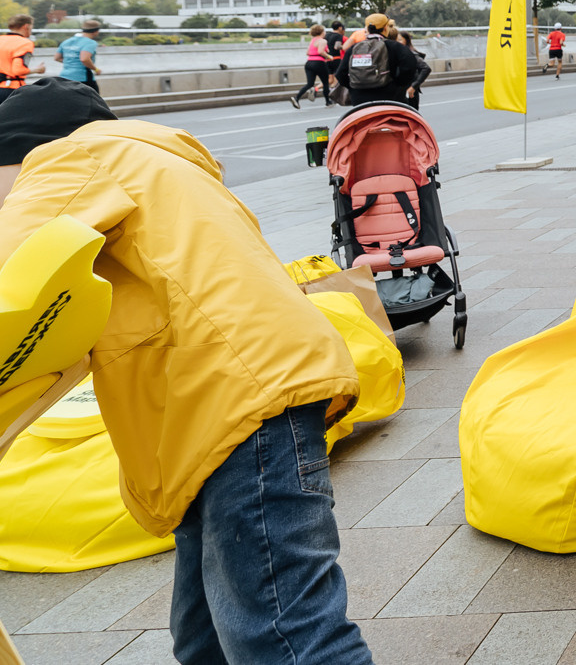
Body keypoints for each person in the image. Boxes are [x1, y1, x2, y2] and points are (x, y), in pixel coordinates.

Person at [0, 77, 374, 664]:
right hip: (231, 400)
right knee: (206, 641)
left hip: (233, 400)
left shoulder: (68, 159)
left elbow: (7, 272)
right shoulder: (164, 166)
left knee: (284, 637)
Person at [335, 14, 422, 109]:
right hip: (390, 97)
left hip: (359, 100)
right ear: (385, 28)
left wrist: (355, 88)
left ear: (367, 28)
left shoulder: (354, 48)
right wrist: (397, 85)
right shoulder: (395, 47)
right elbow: (409, 67)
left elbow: (340, 74)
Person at [0, 13, 46, 107]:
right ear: (26, 26)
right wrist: (37, 70)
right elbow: (18, 70)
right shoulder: (25, 43)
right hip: (10, 89)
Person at [293, 24, 334, 108]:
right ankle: (327, 101)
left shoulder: (313, 40)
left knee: (310, 83)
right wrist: (329, 57)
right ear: (322, 32)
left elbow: (307, 53)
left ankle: (296, 98)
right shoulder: (323, 41)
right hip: (319, 63)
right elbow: (320, 51)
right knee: (325, 82)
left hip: (309, 63)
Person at [57, 18, 104, 87]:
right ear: (95, 31)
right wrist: (96, 70)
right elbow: (84, 59)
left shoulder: (67, 41)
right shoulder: (90, 43)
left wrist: (72, 61)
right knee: (93, 97)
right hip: (82, 78)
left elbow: (57, 58)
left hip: (64, 77)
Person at [397, 29, 433, 110]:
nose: (397, 42)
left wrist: (413, 86)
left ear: (406, 41)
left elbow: (426, 68)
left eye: (400, 39)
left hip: (410, 93)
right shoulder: (399, 53)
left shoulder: (411, 54)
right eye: (396, 40)